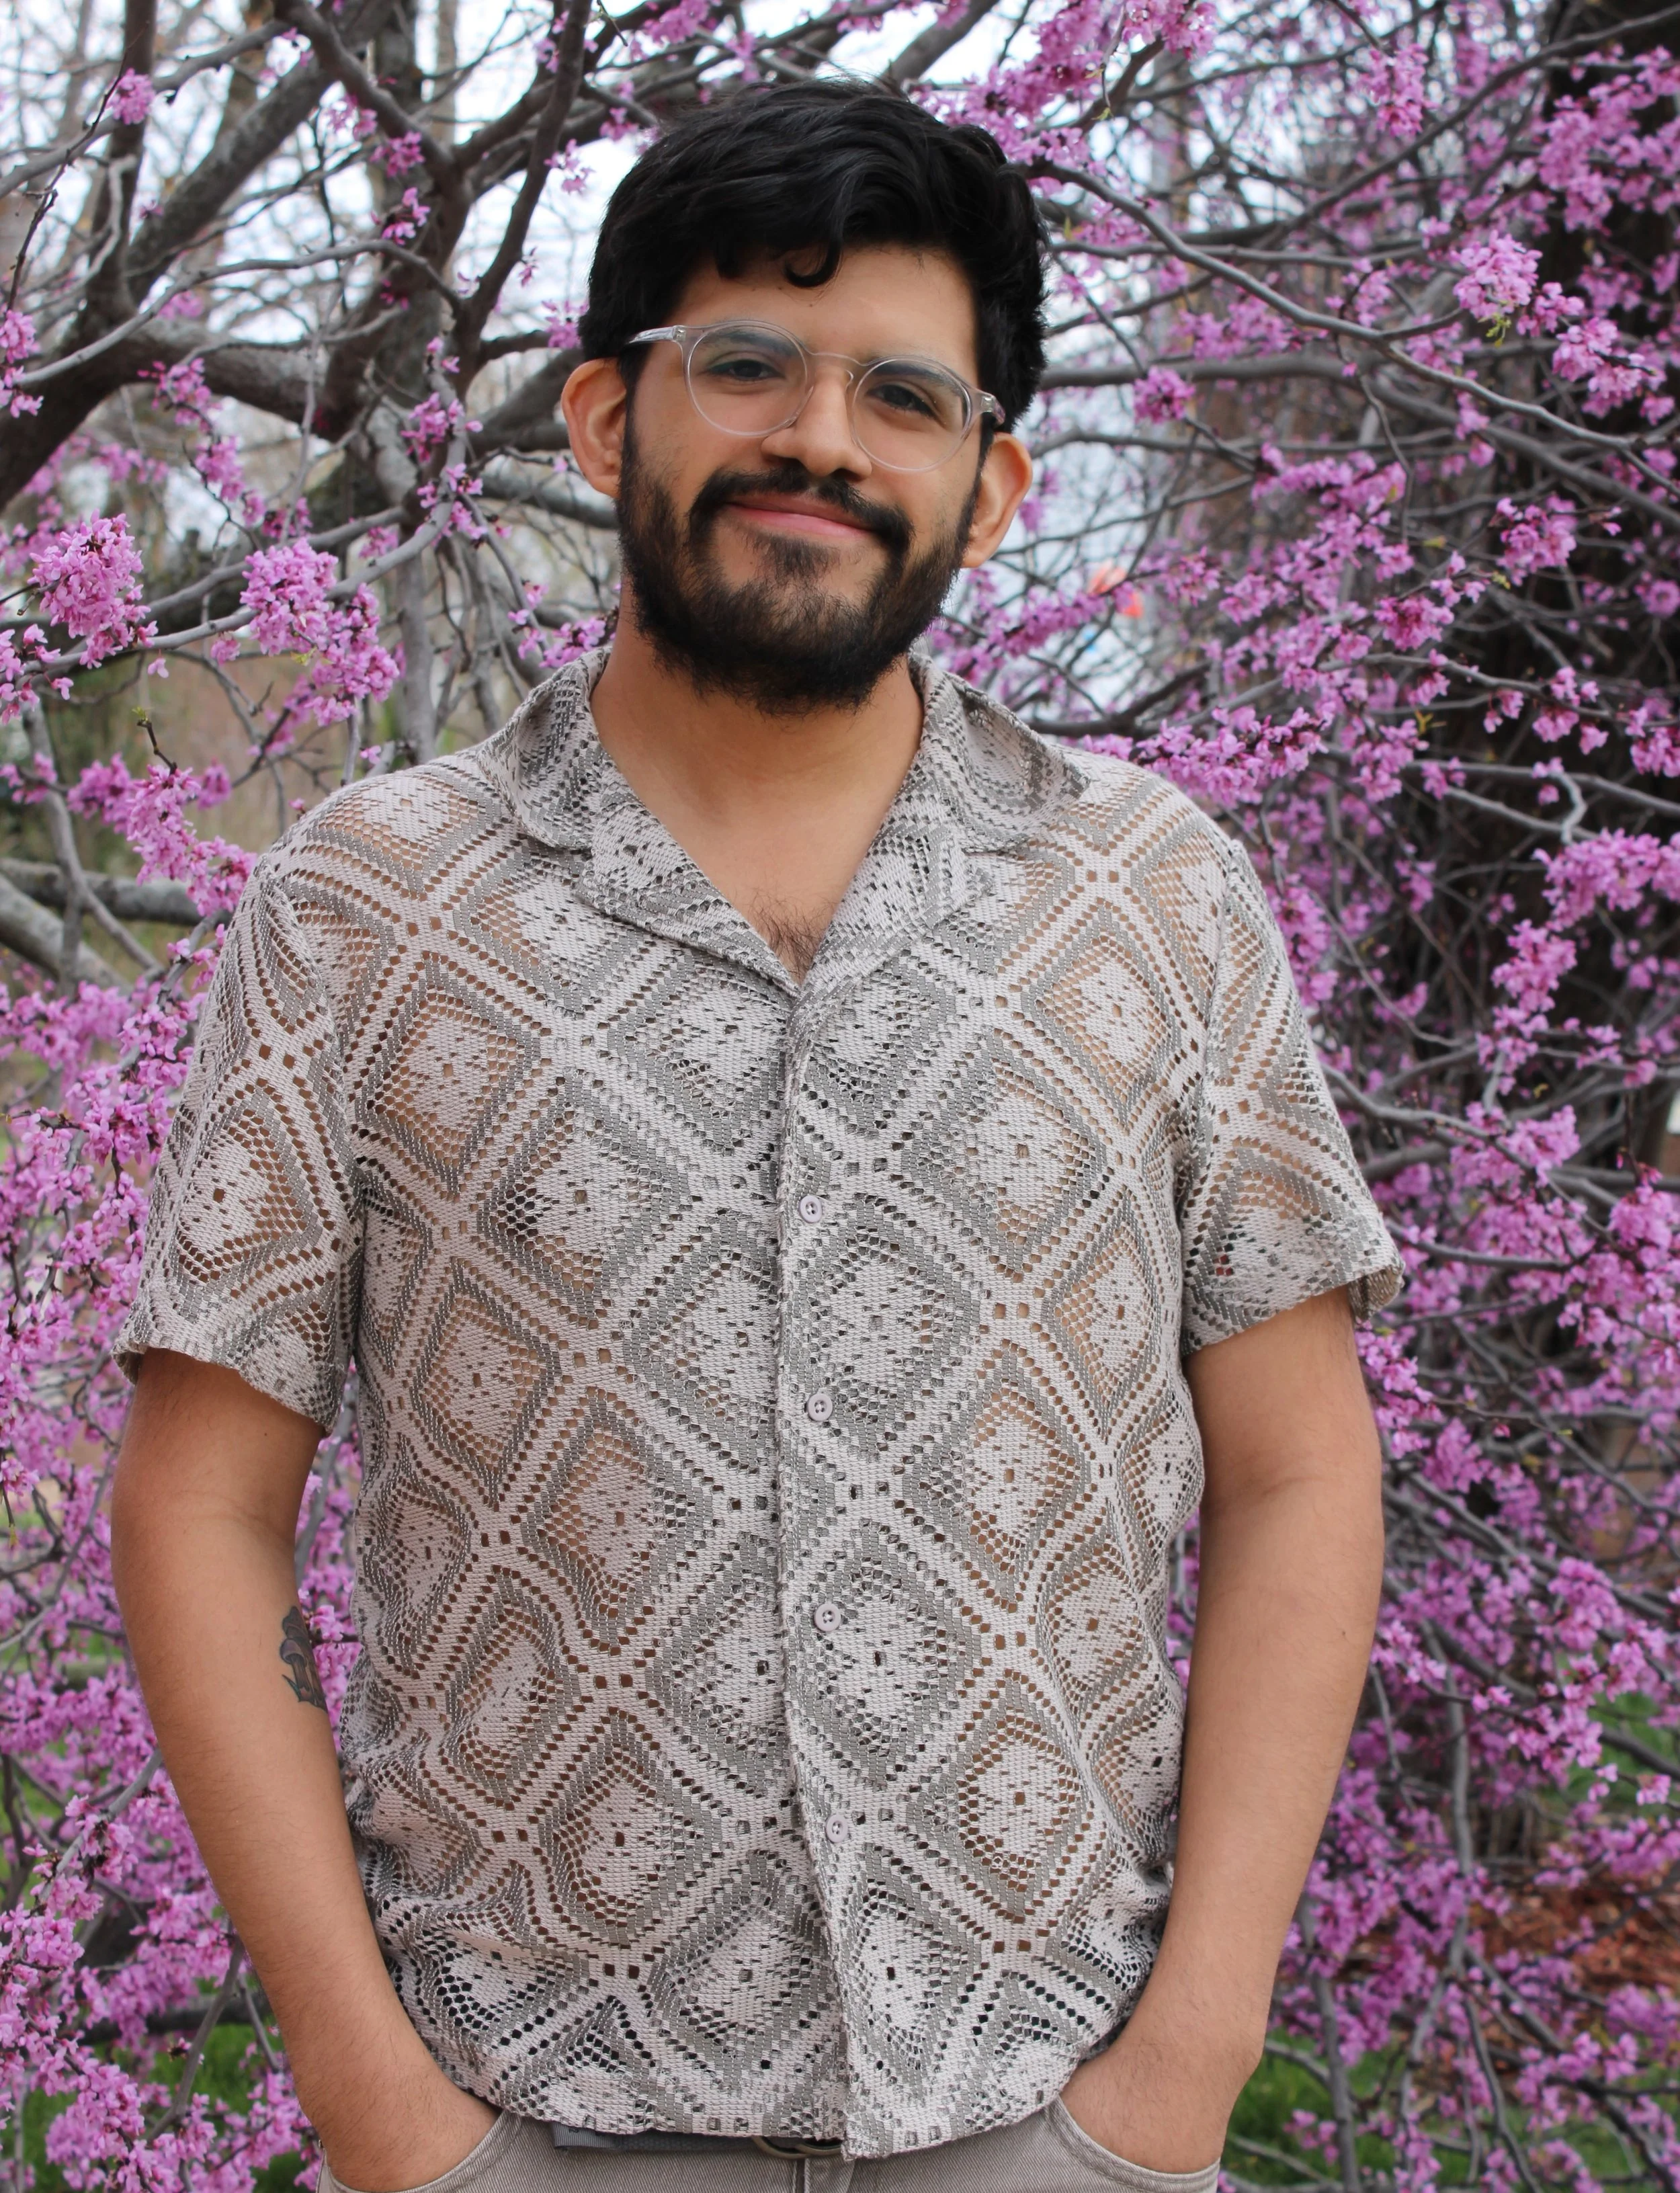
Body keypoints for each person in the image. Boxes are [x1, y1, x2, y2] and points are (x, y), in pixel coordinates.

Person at [112, 79, 1402, 2193]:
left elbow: (1295, 1461)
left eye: (905, 395)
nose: (822, 437)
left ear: (987, 491)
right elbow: (196, 1506)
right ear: (610, 419)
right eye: (748, 365)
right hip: (528, 2113)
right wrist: (383, 2107)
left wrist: (1183, 2067)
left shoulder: (1153, 897)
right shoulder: (370, 906)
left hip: (1046, 2107)